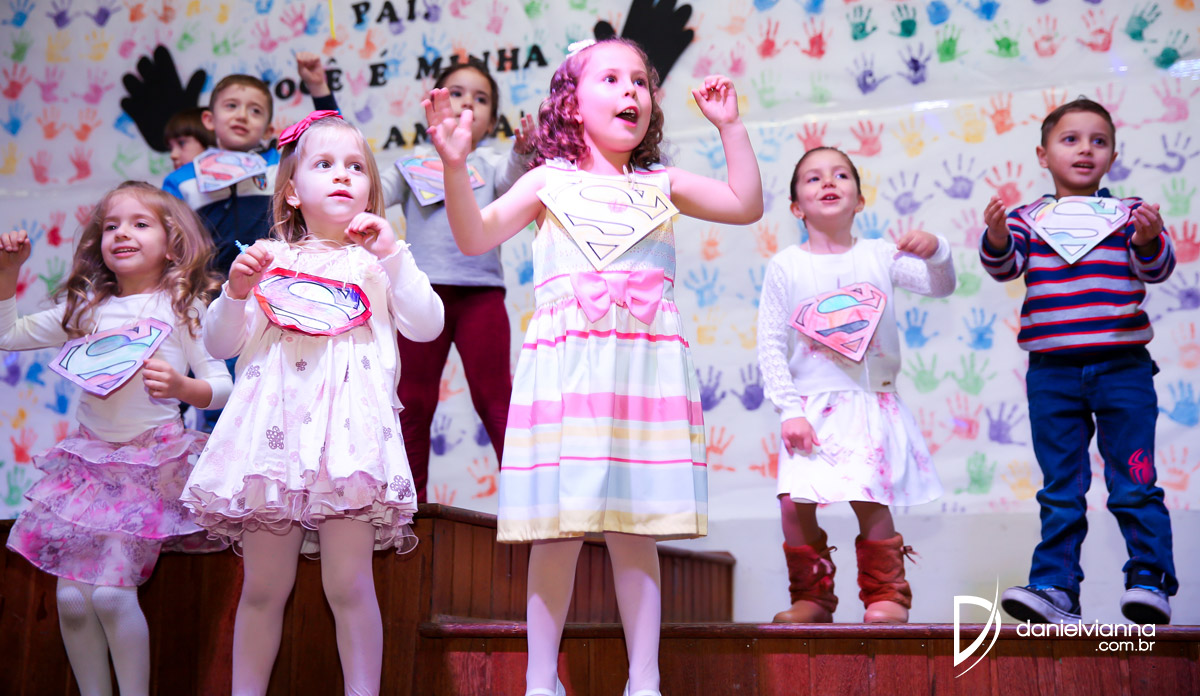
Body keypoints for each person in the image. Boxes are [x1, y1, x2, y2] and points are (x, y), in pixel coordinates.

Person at [425, 37, 763, 696]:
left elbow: (744, 204)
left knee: (636, 532)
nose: (630, 90)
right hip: (570, 377)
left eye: (639, 80)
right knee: (559, 533)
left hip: (644, 376)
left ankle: (644, 680)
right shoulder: (547, 180)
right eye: (610, 78)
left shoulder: (660, 184)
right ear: (572, 104)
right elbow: (473, 236)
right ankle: (540, 680)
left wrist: (730, 126)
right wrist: (455, 166)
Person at [181, 112, 444, 694]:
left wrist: (395, 254)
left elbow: (427, 326)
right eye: (324, 165)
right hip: (272, 444)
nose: (342, 175)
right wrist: (235, 293)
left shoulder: (379, 261)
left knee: (349, 586)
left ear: (371, 190)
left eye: (355, 167)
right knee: (262, 589)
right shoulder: (266, 259)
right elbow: (219, 345)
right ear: (293, 192)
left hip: (348, 444)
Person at [0, 181, 233, 696]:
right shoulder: (86, 309)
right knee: (71, 601)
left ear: (172, 244)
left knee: (110, 596)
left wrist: (183, 388)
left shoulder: (184, 306)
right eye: (111, 226)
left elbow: (222, 386)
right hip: (88, 469)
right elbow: (6, 336)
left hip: (149, 466)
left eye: (139, 223)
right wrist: (8, 272)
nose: (122, 233)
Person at [297, 52, 534, 501]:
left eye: (481, 98)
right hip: (420, 299)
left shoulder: (492, 163)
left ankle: (528, 504)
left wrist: (524, 151)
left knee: (496, 399)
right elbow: (360, 178)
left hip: (481, 297)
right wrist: (321, 96)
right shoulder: (410, 164)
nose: (467, 104)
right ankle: (411, 508)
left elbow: (513, 182)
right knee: (414, 400)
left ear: (491, 120)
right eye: (456, 93)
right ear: (434, 104)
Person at [980, 97, 1177, 625]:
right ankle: (1056, 588)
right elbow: (1004, 266)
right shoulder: (1027, 219)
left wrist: (1148, 238)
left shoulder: (1129, 214)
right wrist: (997, 236)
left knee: (1135, 481)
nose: (1085, 149)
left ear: (1113, 155)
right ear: (1043, 155)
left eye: (1099, 141)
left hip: (1123, 370)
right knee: (1061, 489)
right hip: (1052, 375)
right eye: (1070, 139)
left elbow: (1158, 269)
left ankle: (1150, 579)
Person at [757, 147, 954, 624]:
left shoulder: (880, 256)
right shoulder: (786, 265)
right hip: (808, 407)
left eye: (841, 175)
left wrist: (938, 251)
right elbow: (770, 345)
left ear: (860, 200)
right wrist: (789, 409)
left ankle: (887, 594)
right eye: (813, 178)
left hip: (867, 400)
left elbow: (940, 285)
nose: (828, 182)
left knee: (869, 496)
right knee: (794, 505)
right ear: (796, 207)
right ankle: (812, 597)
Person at [162, 74, 277, 279]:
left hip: (274, 280)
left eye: (255, 110)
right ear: (209, 120)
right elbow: (169, 244)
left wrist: (318, 88)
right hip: (208, 286)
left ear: (268, 131)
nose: (242, 115)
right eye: (231, 105)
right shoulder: (181, 180)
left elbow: (333, 142)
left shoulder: (280, 166)